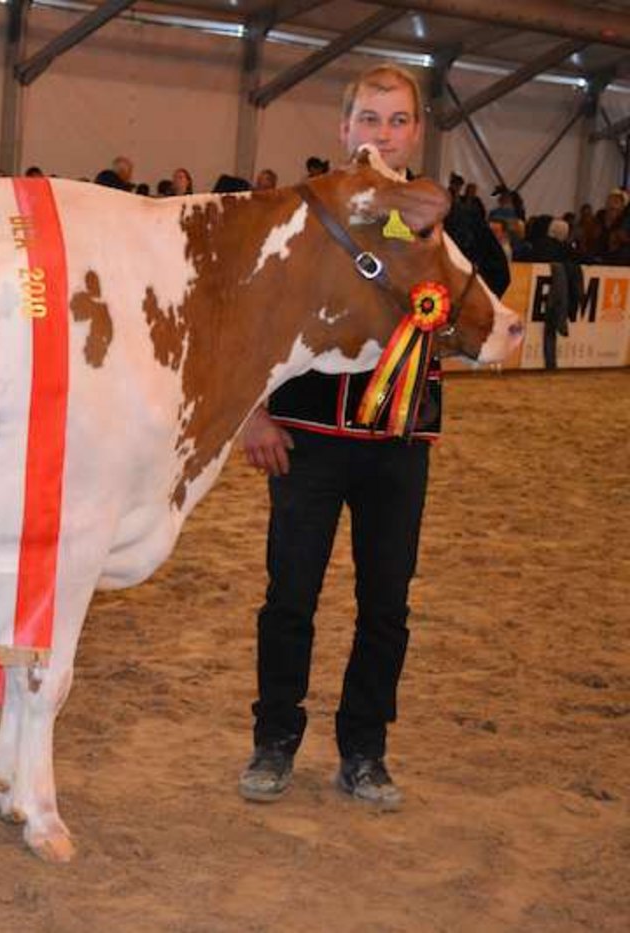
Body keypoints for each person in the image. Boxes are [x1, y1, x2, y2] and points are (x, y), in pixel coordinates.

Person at [237, 63, 507, 811]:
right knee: (290, 596)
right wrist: (253, 414)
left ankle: (365, 750)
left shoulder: (453, 214)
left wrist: (434, 228)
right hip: (307, 436)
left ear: (417, 131)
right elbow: (256, 317)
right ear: (344, 128)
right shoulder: (305, 211)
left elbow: (488, 293)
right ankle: (274, 740)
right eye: (369, 119)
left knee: (385, 604)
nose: (382, 133)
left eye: (397, 121)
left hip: (401, 439)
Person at [524, 216, 582, 369]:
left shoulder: (538, 244)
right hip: (553, 296)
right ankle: (551, 363)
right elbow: (581, 258)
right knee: (551, 325)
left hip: (540, 294)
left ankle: (551, 362)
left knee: (549, 327)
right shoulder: (563, 248)